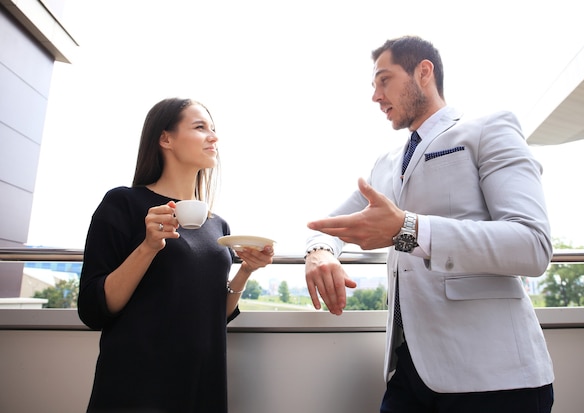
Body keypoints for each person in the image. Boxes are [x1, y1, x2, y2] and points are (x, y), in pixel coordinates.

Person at [304, 36, 554, 412]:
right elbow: (327, 225)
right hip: (409, 372)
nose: (375, 95)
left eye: (384, 80)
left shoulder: (487, 128)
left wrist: (407, 229)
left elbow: (532, 244)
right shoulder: (385, 164)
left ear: (424, 72)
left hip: (494, 379)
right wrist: (320, 253)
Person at [78, 97, 273, 413]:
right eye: (200, 127)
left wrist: (245, 271)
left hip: (202, 383)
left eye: (213, 129)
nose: (214, 137)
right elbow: (93, 309)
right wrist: (148, 247)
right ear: (165, 138)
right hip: (138, 387)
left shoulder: (217, 224)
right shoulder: (123, 204)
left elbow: (211, 314)